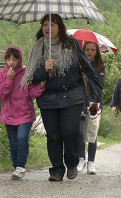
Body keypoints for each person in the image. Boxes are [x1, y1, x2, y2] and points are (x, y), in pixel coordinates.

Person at [20, 14, 101, 182]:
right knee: (53, 135)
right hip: (48, 97)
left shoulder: (72, 44)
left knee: (70, 131)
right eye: (44, 24)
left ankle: (71, 163)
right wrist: (44, 69)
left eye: (52, 24)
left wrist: (96, 95)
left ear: (60, 27)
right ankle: (56, 169)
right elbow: (31, 77)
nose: (47, 28)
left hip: (72, 95)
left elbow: (86, 67)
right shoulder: (38, 48)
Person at [0, 46, 45, 179]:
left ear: (20, 59)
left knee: (21, 138)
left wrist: (41, 86)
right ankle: (16, 167)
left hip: (25, 113)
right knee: (13, 142)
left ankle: (20, 166)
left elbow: (31, 92)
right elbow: (2, 93)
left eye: (15, 59)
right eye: (8, 59)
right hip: (9, 114)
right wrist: (9, 79)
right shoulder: (2, 73)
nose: (11, 62)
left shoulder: (27, 73)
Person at [77, 41, 105, 174]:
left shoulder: (100, 66)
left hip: (94, 102)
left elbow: (99, 86)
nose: (89, 52)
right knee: (80, 131)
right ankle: (81, 158)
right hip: (80, 101)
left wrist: (94, 101)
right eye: (87, 49)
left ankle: (91, 162)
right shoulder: (79, 64)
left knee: (92, 132)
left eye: (92, 50)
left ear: (96, 52)